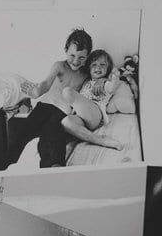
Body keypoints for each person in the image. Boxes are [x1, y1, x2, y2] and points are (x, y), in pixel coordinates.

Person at [8, 28, 94, 167]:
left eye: (81, 57)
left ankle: (53, 165)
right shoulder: (60, 66)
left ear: (88, 56)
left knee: (51, 132)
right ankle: (4, 165)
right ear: (66, 50)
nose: (76, 61)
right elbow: (46, 83)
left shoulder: (86, 74)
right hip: (45, 106)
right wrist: (37, 92)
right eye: (72, 55)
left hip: (62, 111)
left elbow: (102, 75)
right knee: (21, 132)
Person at [61, 49, 124, 150]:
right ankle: (99, 140)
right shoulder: (86, 82)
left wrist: (113, 75)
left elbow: (113, 86)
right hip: (80, 117)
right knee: (66, 122)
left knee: (67, 92)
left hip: (95, 114)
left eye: (102, 65)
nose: (98, 67)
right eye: (94, 65)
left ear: (107, 69)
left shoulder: (105, 84)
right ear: (88, 68)